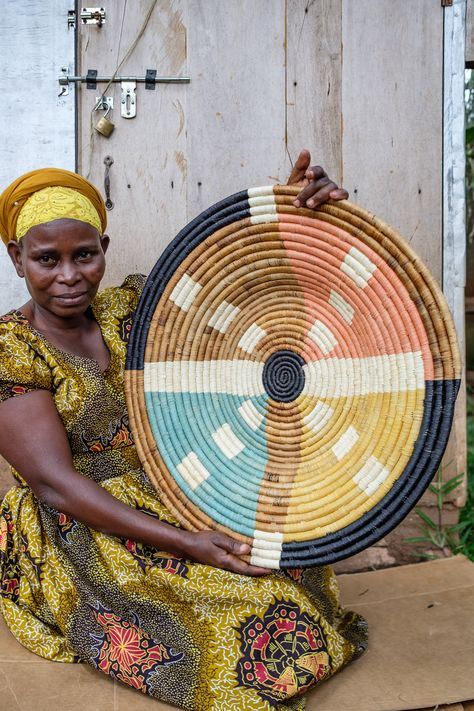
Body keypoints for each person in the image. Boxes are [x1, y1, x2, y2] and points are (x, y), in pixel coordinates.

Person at [0, 152, 367, 711]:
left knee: (287, 559)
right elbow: (55, 484)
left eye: (86, 255)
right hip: (79, 520)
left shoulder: (132, 309)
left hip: (167, 486)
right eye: (47, 260)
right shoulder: (12, 348)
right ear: (16, 258)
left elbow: (233, 284)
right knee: (247, 617)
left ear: (104, 247)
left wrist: (291, 215)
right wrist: (187, 543)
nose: (70, 276)